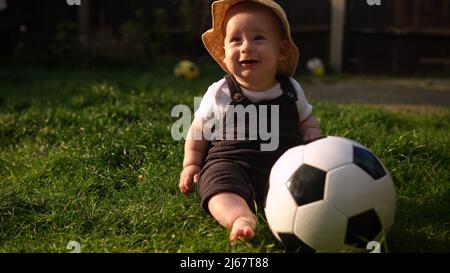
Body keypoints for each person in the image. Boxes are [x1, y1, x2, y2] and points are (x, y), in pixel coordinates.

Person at [179, 0, 321, 243]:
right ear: (224, 53)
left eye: (258, 38)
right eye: (236, 40)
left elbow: (306, 120)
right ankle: (238, 217)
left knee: (308, 186)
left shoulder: (290, 90)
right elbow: (198, 130)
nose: (246, 47)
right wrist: (191, 164)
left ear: (281, 51)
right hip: (231, 163)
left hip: (282, 168)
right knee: (217, 185)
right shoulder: (220, 92)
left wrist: (312, 135)